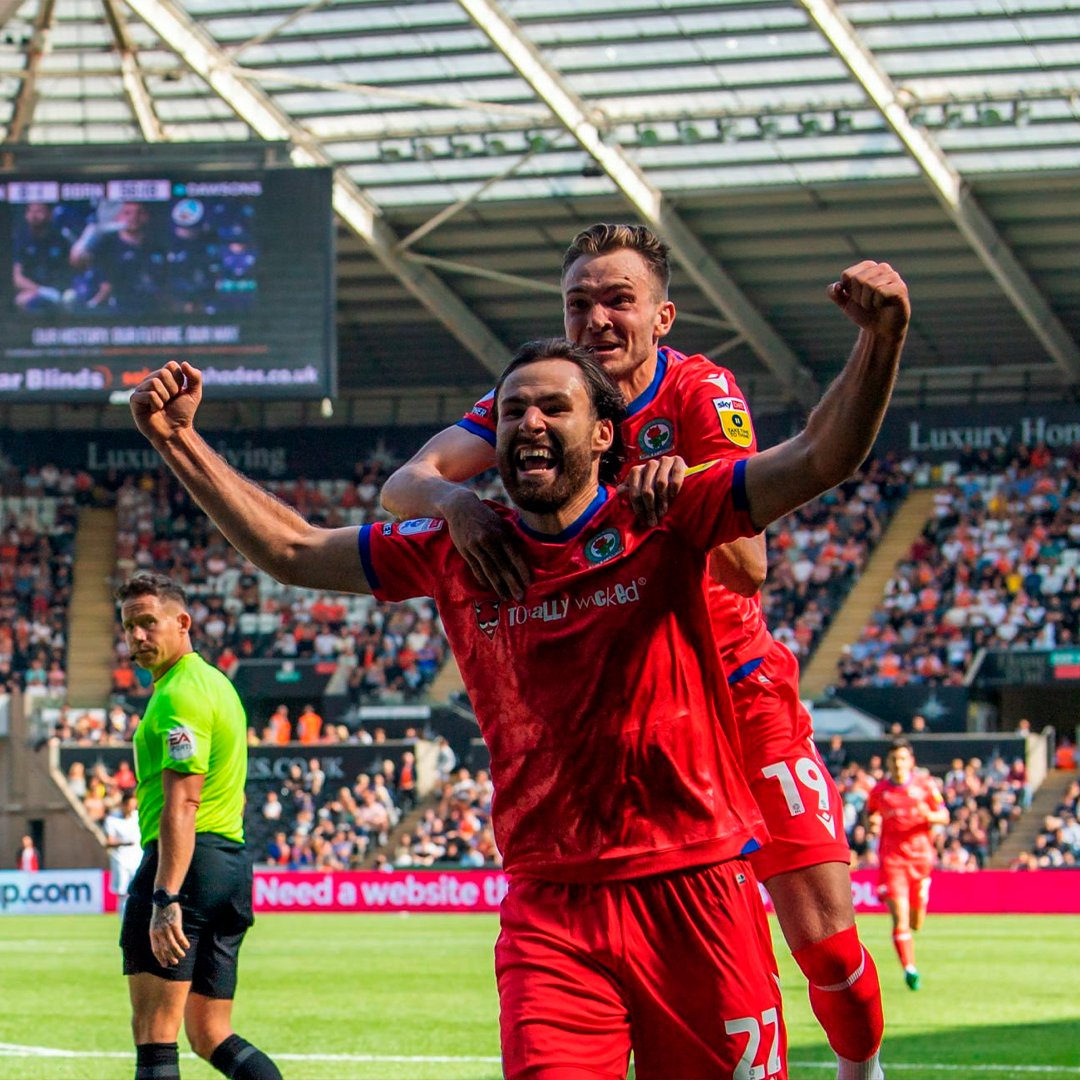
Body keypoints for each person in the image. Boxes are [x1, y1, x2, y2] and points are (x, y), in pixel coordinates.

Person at [129, 263, 907, 1076]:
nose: (530, 422)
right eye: (512, 412)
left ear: (605, 434)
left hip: (697, 890)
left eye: (555, 408)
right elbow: (292, 550)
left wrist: (879, 340)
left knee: (825, 935)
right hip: (552, 911)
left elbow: (821, 456)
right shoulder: (453, 550)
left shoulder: (665, 511)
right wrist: (177, 439)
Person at [380, 224, 887, 1077]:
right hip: (644, 720)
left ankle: (863, 1066)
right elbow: (404, 484)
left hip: (739, 693)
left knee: (828, 944)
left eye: (618, 300)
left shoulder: (698, 388)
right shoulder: (548, 399)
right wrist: (454, 505)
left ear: (661, 316)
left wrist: (678, 483)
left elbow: (748, 563)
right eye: (579, 303)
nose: (597, 320)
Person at [115, 573, 280, 1080]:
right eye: (129, 627)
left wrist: (165, 898)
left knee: (155, 1035)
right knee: (211, 1033)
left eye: (148, 623)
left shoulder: (178, 696)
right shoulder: (217, 685)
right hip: (228, 867)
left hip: (184, 867)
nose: (138, 637)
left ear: (182, 622)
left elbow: (183, 803)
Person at [866, 739, 950, 992]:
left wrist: (929, 816)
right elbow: (871, 812)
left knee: (916, 923)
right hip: (892, 861)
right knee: (900, 919)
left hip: (921, 859)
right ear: (888, 762)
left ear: (911, 761)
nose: (898, 764)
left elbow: (944, 815)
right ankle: (909, 969)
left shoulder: (926, 786)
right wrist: (873, 824)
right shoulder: (880, 791)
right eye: (894, 759)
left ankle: (922, 895)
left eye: (902, 759)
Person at [105, 793, 143, 917]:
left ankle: (137, 919)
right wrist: (126, 843)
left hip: (137, 859)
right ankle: (123, 920)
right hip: (120, 860)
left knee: (138, 891)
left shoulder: (138, 817)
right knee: (122, 892)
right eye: (128, 805)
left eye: (133, 806)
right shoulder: (112, 820)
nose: (130, 809)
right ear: (123, 804)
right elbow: (109, 842)